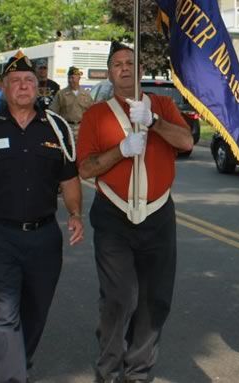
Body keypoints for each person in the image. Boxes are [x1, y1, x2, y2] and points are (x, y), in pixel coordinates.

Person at [0, 50, 84, 383]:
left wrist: (76, 213)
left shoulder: (56, 129)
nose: (23, 86)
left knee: (35, 311)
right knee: (2, 313)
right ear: (4, 89)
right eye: (15, 82)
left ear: (37, 88)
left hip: (44, 238)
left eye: (29, 81)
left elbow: (69, 178)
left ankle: (18, 361)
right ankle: (12, 376)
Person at [76, 41, 193, 383]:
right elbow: (85, 168)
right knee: (119, 297)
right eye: (117, 64)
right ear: (110, 72)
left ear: (141, 70)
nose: (125, 68)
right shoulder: (95, 115)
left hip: (158, 216)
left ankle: (138, 371)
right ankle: (109, 368)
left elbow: (185, 141)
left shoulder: (163, 104)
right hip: (114, 215)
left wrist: (154, 121)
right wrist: (122, 150)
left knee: (155, 300)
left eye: (131, 62)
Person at [49, 66, 93, 140]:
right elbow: (53, 112)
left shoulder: (86, 94)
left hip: (82, 127)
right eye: (69, 78)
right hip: (66, 126)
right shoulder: (61, 94)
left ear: (79, 78)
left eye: (73, 78)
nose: (70, 80)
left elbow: (91, 113)